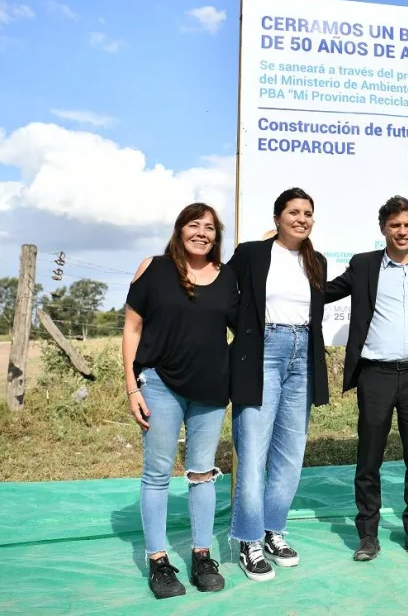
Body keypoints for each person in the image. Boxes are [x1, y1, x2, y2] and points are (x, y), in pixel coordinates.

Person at [122, 203, 237, 599]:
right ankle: (158, 561)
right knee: (156, 473)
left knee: (202, 472)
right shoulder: (153, 268)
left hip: (210, 392)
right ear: (179, 229)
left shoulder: (228, 279)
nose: (202, 233)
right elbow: (132, 329)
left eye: (210, 228)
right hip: (158, 385)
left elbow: (246, 331)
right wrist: (132, 387)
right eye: (194, 225)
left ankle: (202, 555)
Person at [324, 195, 408, 562]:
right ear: (383, 230)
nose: (402, 231)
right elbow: (325, 292)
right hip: (375, 375)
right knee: (369, 457)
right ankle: (368, 535)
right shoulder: (363, 266)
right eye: (395, 225)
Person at [227, 187, 330, 581]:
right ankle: (248, 541)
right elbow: (224, 297)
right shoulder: (251, 253)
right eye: (293, 212)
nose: (301, 219)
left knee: (290, 453)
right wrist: (251, 334)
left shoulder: (316, 260)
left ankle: (274, 531)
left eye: (307, 213)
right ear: (277, 218)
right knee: (253, 452)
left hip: (303, 355)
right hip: (263, 353)